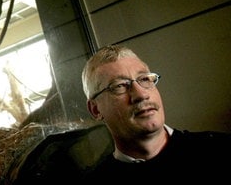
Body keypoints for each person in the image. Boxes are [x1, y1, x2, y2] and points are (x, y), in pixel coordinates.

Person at [81, 44, 231, 182]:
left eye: (145, 79)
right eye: (119, 86)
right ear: (95, 109)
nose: (141, 94)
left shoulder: (220, 150)